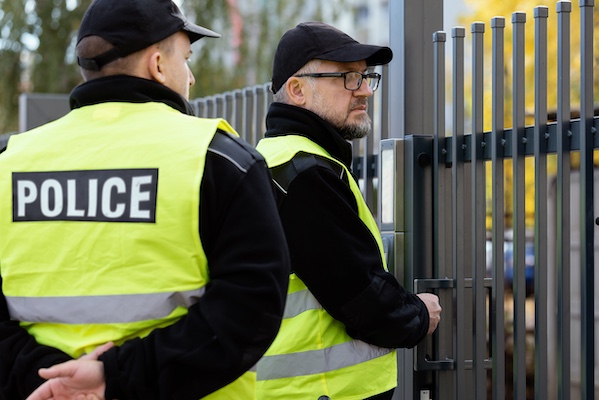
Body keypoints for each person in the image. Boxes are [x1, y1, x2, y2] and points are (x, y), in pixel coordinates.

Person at [0, 0, 290, 399]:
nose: (189, 78)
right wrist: (114, 376)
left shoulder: (10, 162)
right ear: (157, 64)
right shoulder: (219, 159)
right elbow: (250, 308)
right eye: (185, 59)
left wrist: (48, 380)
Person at [254, 21, 443, 400]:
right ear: (297, 90)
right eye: (346, 78)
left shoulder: (278, 160)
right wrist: (418, 315)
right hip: (319, 391)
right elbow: (360, 298)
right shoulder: (303, 173)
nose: (364, 92)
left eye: (364, 77)